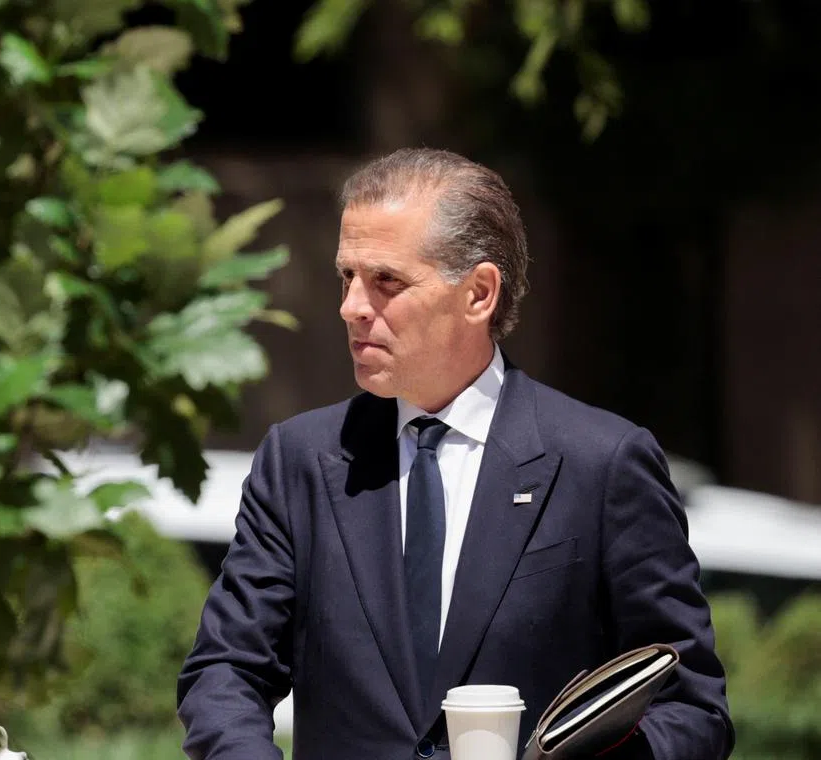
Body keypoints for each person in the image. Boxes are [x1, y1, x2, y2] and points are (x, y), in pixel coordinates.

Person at [176, 148, 733, 760]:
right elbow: (224, 673)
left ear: (479, 294)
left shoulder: (602, 463)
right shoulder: (300, 460)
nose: (352, 306)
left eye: (386, 280)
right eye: (346, 277)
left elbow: (689, 708)